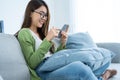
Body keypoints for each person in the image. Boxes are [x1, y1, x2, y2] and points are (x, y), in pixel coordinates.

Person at [15, 0, 117, 80]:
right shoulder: (25, 33)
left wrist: (63, 42)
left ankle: (103, 75)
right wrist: (47, 40)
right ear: (30, 13)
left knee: (91, 64)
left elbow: (55, 57)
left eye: (45, 15)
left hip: (53, 65)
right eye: (41, 14)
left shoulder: (41, 34)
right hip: (43, 71)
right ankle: (102, 77)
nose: (44, 18)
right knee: (80, 68)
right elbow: (32, 63)